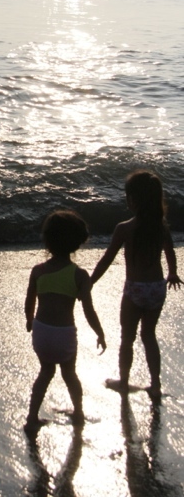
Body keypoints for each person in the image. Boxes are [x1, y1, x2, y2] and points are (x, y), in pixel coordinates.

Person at [90, 170, 182, 399]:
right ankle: (155, 384)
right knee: (149, 335)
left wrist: (89, 282)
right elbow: (170, 252)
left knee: (127, 338)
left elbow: (107, 259)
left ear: (133, 200)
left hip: (134, 290)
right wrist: (172, 273)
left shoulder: (124, 228)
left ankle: (124, 380)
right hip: (156, 289)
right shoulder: (161, 226)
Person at [24, 210, 106, 433]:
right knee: (69, 374)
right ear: (77, 243)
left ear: (47, 241)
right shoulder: (79, 275)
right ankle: (78, 412)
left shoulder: (38, 271)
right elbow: (88, 310)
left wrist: (29, 321)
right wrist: (99, 332)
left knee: (45, 373)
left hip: (41, 333)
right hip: (64, 334)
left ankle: (32, 417)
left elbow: (29, 300)